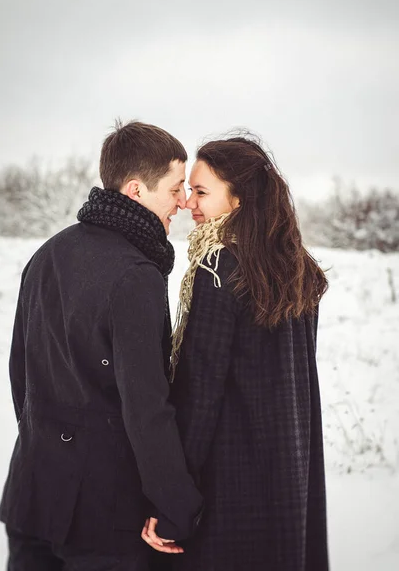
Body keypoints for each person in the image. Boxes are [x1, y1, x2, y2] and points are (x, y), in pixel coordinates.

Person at [0, 120, 203, 571]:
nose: (184, 203)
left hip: (32, 494)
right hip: (101, 518)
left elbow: (21, 376)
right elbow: (147, 407)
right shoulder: (136, 276)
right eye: (175, 189)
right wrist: (178, 505)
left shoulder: (46, 253)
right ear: (135, 190)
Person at [150, 135, 329, 570]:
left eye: (202, 191)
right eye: (188, 189)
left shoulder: (218, 268)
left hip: (229, 486)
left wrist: (175, 499)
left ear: (238, 199)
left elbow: (198, 394)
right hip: (288, 471)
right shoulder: (294, 266)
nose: (189, 202)